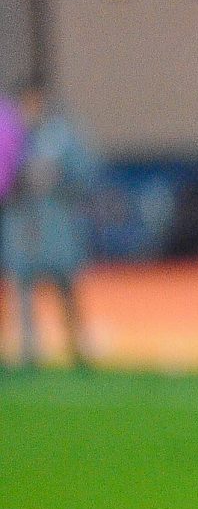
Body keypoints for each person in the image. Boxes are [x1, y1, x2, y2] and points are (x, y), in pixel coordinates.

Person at [4, 80, 97, 370]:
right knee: (22, 287)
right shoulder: (11, 135)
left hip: (56, 221)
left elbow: (86, 171)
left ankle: (77, 349)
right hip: (22, 222)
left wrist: (59, 177)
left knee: (66, 285)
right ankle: (29, 353)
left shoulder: (61, 134)